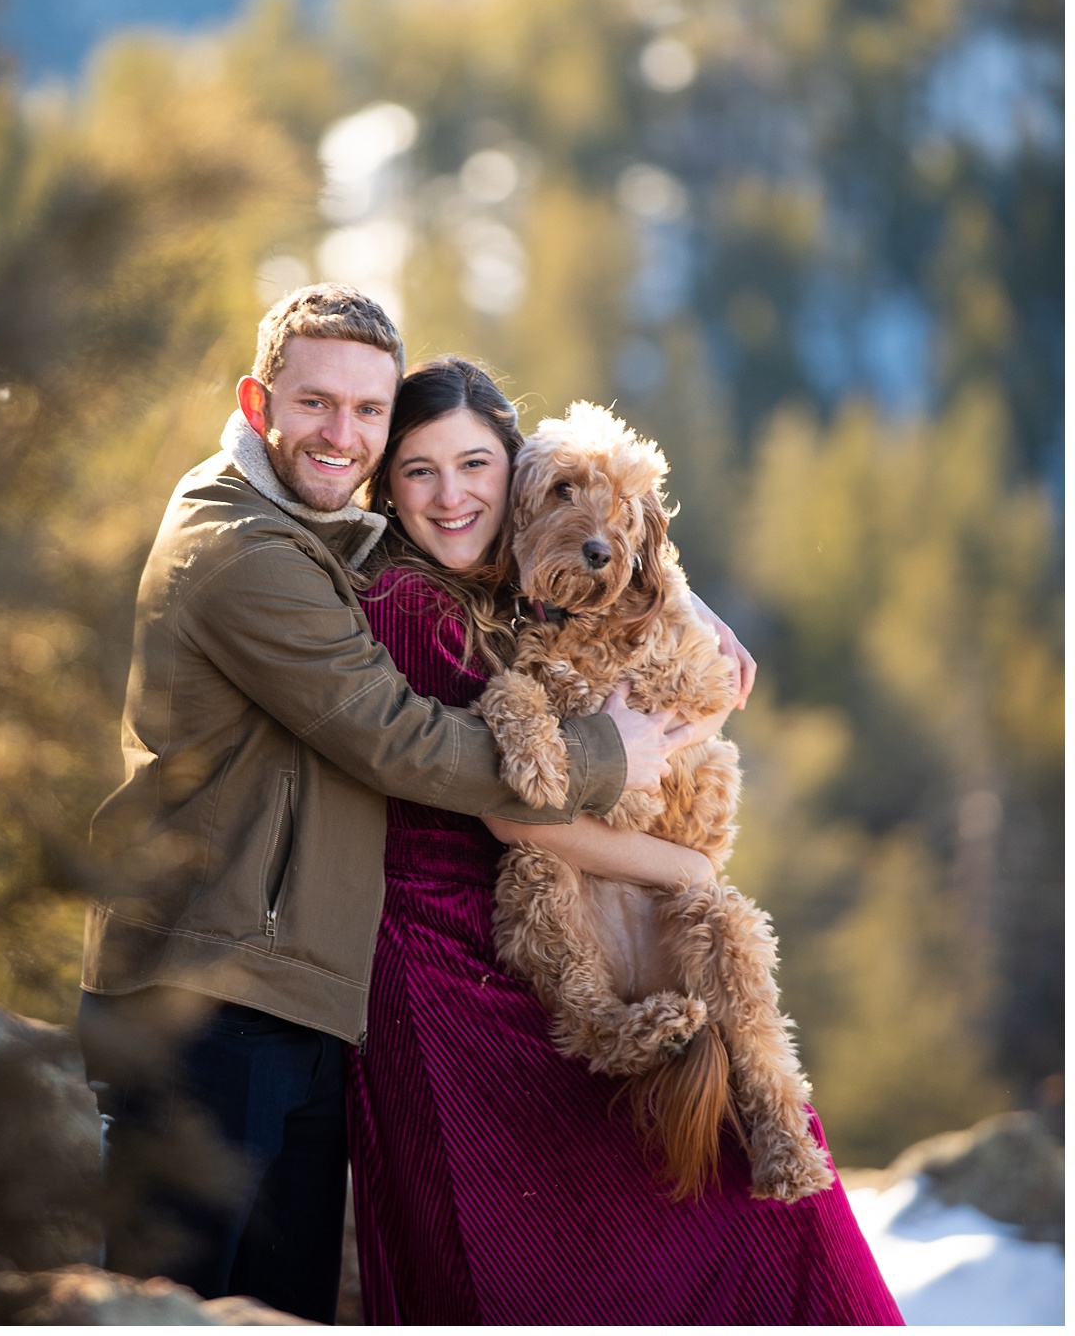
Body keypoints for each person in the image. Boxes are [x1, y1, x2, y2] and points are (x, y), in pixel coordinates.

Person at [78, 284, 752, 1323]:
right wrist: (602, 753)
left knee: (277, 1306)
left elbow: (512, 491)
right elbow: (404, 741)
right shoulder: (246, 552)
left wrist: (662, 578)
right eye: (315, 404)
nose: (342, 433)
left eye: (366, 409)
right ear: (260, 402)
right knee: (181, 1305)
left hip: (290, 992)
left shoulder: (321, 526)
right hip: (206, 991)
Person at [347, 355, 904, 1326]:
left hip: (503, 934)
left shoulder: (494, 580)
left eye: (475, 464)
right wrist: (685, 866)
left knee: (725, 1166)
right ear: (385, 485)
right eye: (419, 471)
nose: (452, 495)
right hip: (449, 963)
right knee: (551, 1252)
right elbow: (518, 815)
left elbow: (611, 535)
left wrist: (683, 598)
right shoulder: (411, 602)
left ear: (509, 473)